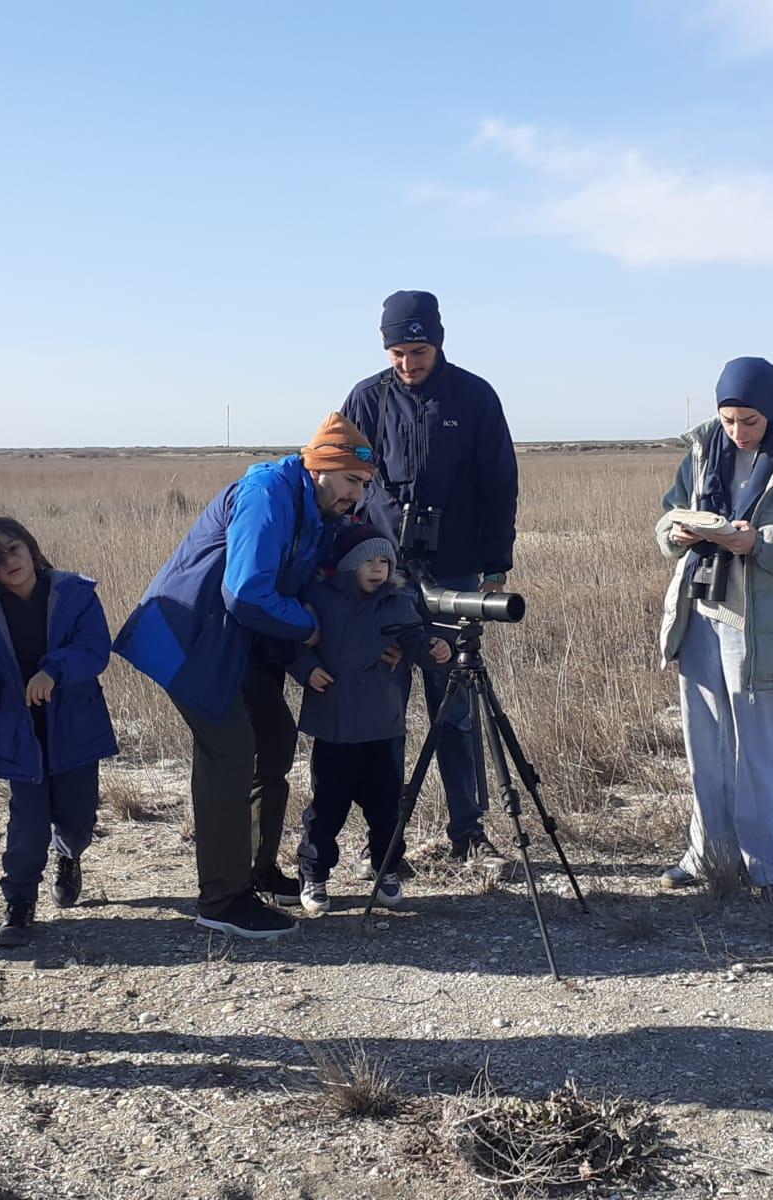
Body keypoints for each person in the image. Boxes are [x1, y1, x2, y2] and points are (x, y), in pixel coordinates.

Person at [114, 413, 372, 938]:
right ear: (320, 466)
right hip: (189, 639)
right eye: (351, 481)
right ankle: (223, 899)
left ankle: (256, 870)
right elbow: (247, 591)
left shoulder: (317, 512)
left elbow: (317, 578)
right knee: (229, 749)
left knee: (274, 740)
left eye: (364, 485)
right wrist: (310, 627)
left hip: (237, 645)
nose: (357, 496)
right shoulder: (268, 494)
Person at [654, 356, 773, 907]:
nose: (737, 432)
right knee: (705, 744)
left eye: (749, 421)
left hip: (765, 624)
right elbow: (668, 517)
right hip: (702, 611)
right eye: (729, 419)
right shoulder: (702, 452)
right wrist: (681, 533)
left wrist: (757, 543)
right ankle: (710, 856)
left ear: (771, 413)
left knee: (765, 747)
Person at [341, 290, 519, 875]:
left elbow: (500, 485)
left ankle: (468, 832)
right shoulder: (366, 399)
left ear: (437, 342)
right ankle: (386, 843)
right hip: (382, 575)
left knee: (454, 707)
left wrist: (496, 564)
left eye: (416, 350)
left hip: (457, 573)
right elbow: (343, 487)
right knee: (383, 709)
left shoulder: (474, 397)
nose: (407, 364)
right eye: (396, 352)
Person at [0, 516, 118, 949]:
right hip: (20, 741)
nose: (9, 560)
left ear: (30, 547)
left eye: (14, 548)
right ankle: (19, 905)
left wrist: (53, 670)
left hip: (75, 733)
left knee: (78, 819)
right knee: (27, 826)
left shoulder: (75, 595)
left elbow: (94, 650)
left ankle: (69, 855)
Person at [287, 525, 452, 916]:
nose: (378, 569)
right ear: (347, 565)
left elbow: (415, 641)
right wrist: (306, 669)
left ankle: (385, 870)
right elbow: (294, 642)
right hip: (335, 726)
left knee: (386, 807)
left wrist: (435, 649)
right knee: (327, 807)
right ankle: (314, 874)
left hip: (384, 726)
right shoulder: (321, 601)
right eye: (368, 561)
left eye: (385, 561)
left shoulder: (397, 603)